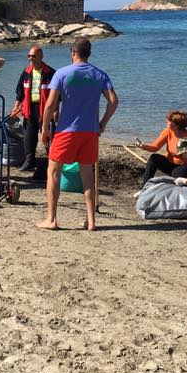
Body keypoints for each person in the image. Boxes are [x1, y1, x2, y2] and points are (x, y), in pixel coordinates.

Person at [37, 37, 118, 231]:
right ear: (89, 53)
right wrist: (103, 123)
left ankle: (52, 219)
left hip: (67, 131)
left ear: (73, 52)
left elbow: (50, 104)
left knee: (53, 172)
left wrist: (44, 128)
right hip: (90, 131)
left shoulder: (62, 73)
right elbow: (113, 101)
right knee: (87, 175)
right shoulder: (100, 75)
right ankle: (91, 221)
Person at [10, 46, 56, 172]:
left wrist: (56, 110)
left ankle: (51, 162)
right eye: (29, 56)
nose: (30, 58)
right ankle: (29, 161)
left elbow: (57, 95)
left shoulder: (50, 73)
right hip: (29, 108)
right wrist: (16, 107)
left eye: (33, 56)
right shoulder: (26, 72)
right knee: (28, 137)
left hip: (45, 109)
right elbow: (20, 92)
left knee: (48, 137)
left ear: (41, 57)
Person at [136, 109, 187, 187]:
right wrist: (143, 146)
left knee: (173, 185)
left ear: (177, 124)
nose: (166, 121)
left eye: (169, 120)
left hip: (183, 166)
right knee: (153, 158)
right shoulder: (167, 131)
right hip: (169, 163)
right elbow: (155, 147)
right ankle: (144, 187)